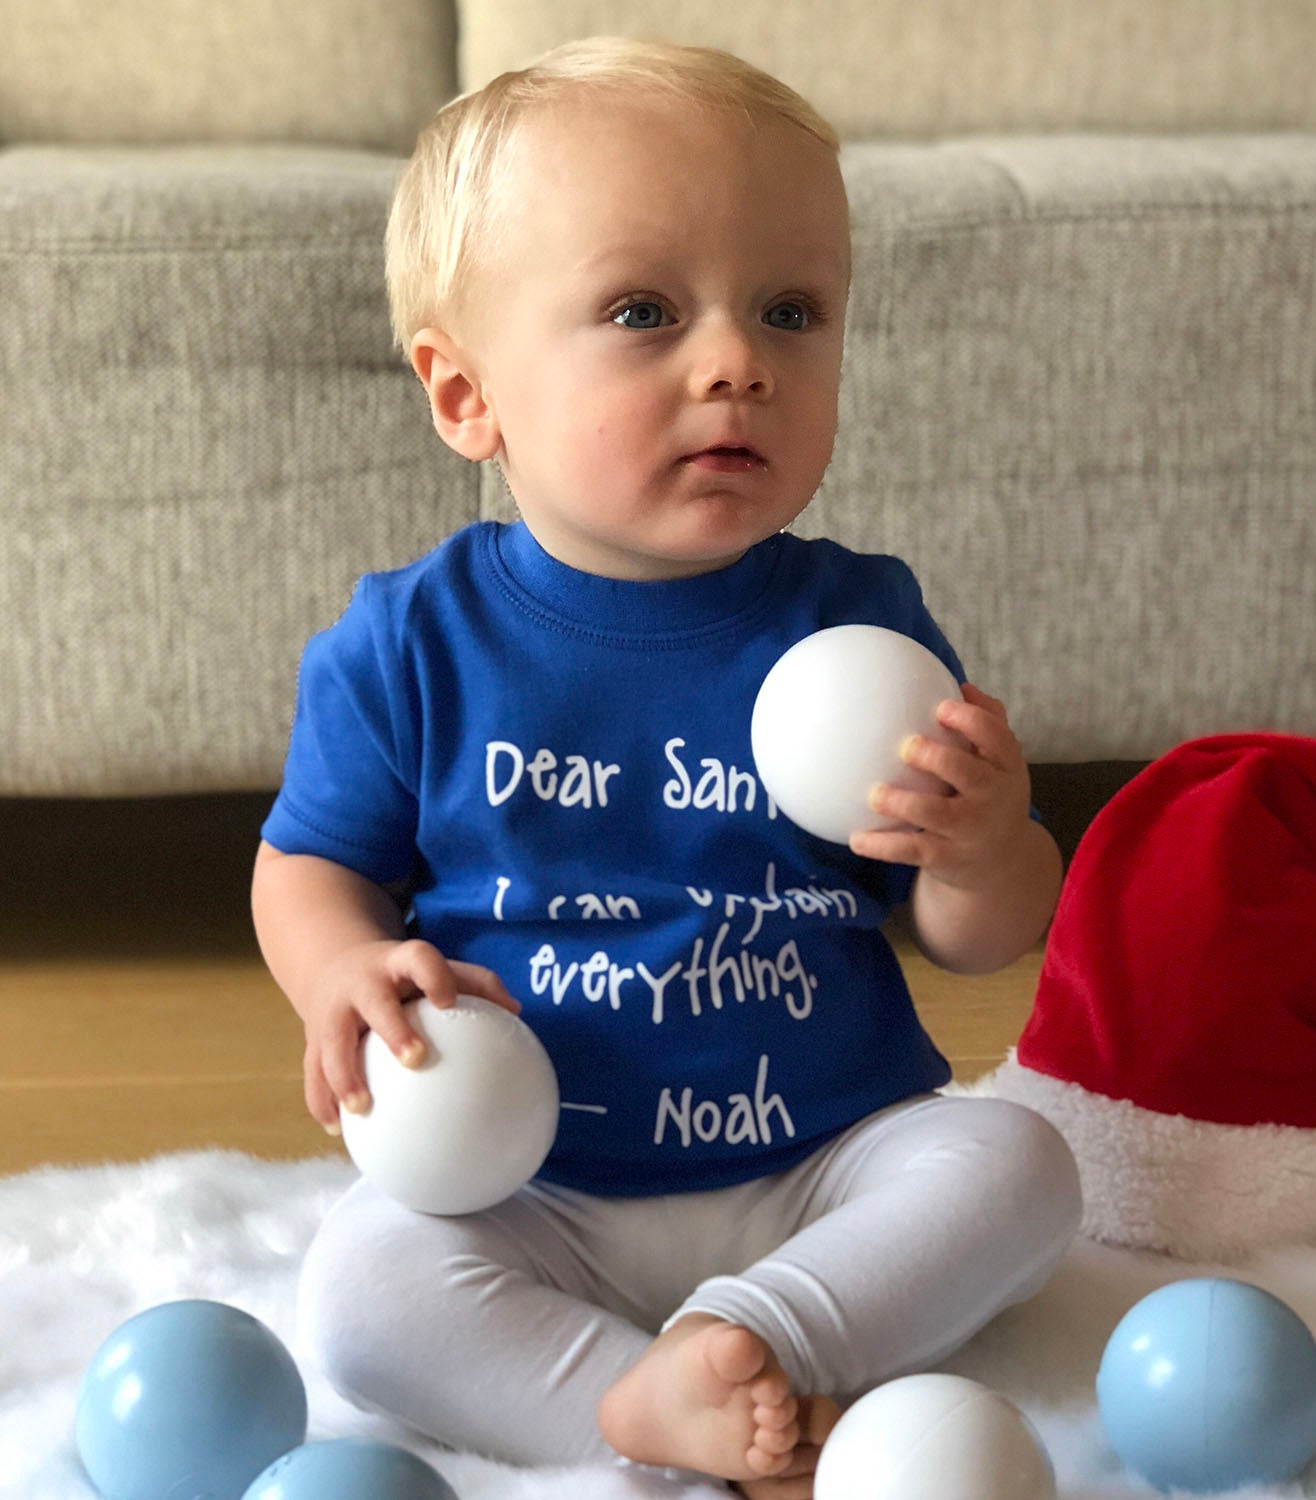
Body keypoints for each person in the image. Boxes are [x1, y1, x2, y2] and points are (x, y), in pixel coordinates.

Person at [251, 35, 1081, 1500]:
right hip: (532, 1183)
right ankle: (646, 1412)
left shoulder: (859, 625)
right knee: (366, 1287)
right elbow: (309, 864)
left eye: (791, 310)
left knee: (1019, 1165)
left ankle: (747, 1340)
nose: (736, 362)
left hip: (829, 1164)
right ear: (467, 399)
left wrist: (984, 845)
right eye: (644, 311)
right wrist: (337, 971)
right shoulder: (413, 644)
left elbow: (975, 940)